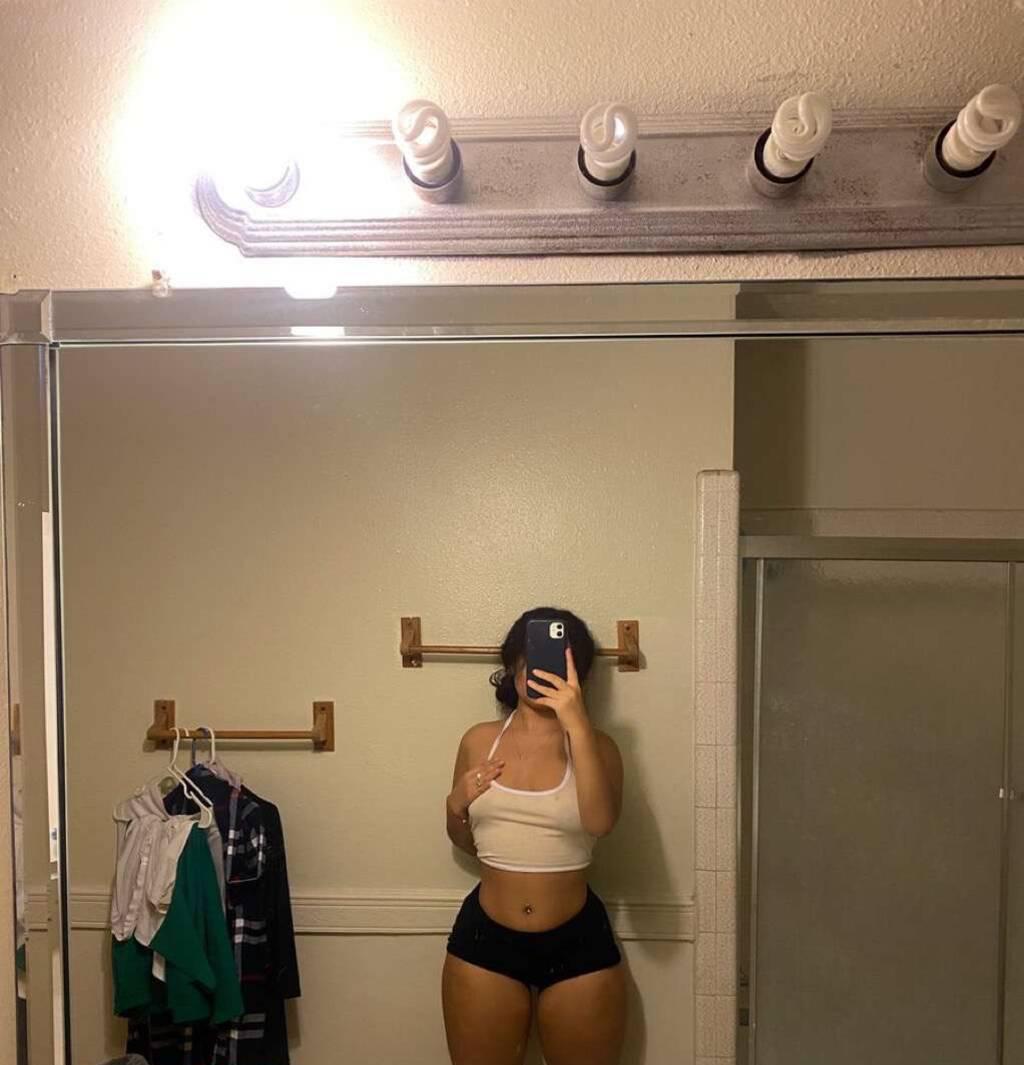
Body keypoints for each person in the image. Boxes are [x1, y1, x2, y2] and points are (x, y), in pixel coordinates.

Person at [442, 607, 627, 1065]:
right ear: (512, 665)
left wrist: (575, 722)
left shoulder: (599, 745)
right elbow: (464, 841)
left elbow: (601, 823)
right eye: (526, 657)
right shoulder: (477, 740)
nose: (535, 669)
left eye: (552, 659)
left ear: (577, 671)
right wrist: (455, 804)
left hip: (577, 940)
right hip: (485, 940)